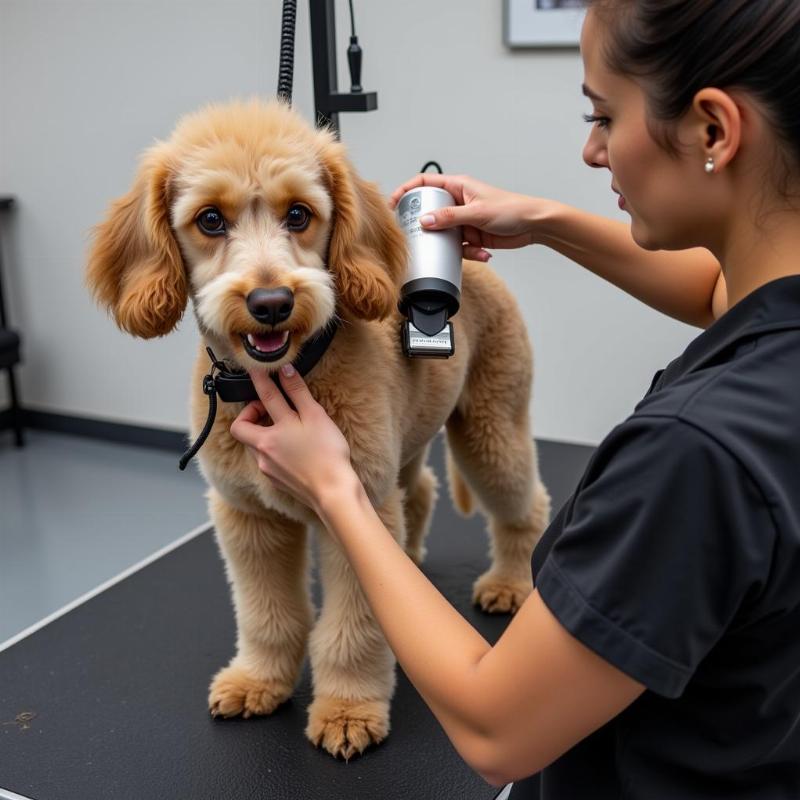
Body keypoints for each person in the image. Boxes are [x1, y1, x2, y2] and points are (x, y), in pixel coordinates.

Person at [229, 1, 800, 796]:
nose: (591, 149)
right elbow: (719, 292)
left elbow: (498, 732)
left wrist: (337, 491)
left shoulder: (696, 454)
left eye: (603, 115)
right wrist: (546, 220)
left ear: (713, 129)